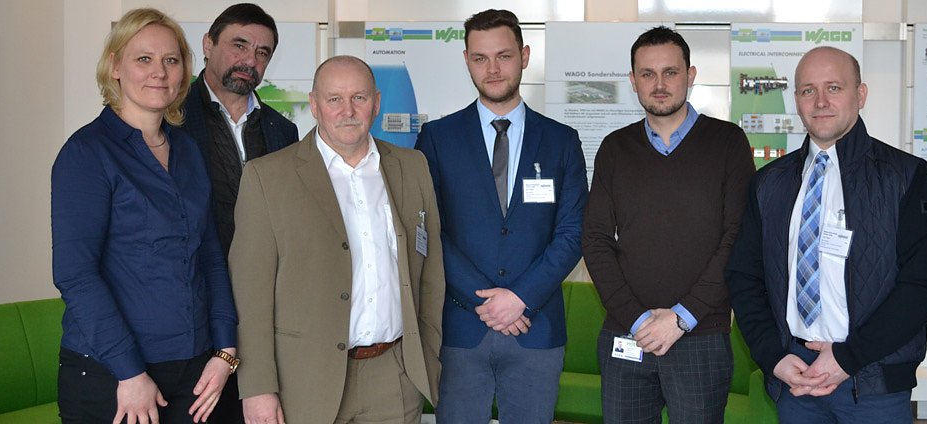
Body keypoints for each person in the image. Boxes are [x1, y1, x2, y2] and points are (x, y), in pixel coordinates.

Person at [725, 46, 927, 423]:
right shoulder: (768, 183)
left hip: (873, 381)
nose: (821, 101)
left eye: (834, 87)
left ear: (860, 94)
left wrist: (847, 358)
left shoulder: (906, 176)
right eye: (808, 90)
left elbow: (923, 285)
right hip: (796, 377)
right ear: (797, 100)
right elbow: (744, 277)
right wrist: (773, 356)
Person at [230, 56, 444, 424]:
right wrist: (257, 387)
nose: (348, 111)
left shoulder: (412, 166)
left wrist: (425, 354)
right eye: (334, 99)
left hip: (394, 378)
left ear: (376, 103)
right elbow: (251, 297)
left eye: (359, 97)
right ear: (314, 105)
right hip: (304, 382)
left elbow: (430, 273)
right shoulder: (267, 177)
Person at [51, 8, 238, 423]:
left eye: (171, 60)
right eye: (144, 59)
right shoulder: (86, 153)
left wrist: (225, 349)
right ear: (115, 66)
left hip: (197, 368)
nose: (159, 72)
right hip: (113, 375)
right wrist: (129, 371)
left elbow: (210, 256)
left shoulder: (187, 150)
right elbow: (75, 274)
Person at [414, 9, 587, 423]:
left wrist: (520, 298)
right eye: (480, 58)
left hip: (536, 328)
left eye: (504, 56)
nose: (492, 69)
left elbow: (572, 232)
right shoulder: (437, 138)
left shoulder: (561, 141)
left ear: (524, 56)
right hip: (460, 329)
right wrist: (487, 303)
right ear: (467, 60)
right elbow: (428, 230)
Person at [582, 26, 755, 422]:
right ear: (633, 81)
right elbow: (595, 240)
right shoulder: (614, 148)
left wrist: (681, 317)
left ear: (690, 75)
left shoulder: (728, 143)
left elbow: (738, 238)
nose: (659, 84)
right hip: (628, 334)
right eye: (647, 74)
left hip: (701, 335)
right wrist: (638, 319)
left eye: (670, 72)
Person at [176, 4, 299, 421]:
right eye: (239, 45)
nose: (250, 59)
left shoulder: (284, 131)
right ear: (208, 44)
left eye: (263, 52)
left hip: (268, 317)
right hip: (195, 312)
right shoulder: (171, 120)